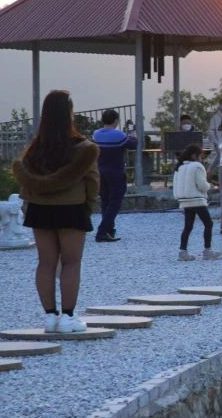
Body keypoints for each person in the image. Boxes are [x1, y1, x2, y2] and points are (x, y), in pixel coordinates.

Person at [10, 90, 100, 334]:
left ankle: (50, 316)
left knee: (46, 263)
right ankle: (68, 317)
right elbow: (92, 181)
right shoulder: (83, 148)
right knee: (71, 262)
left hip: (40, 209)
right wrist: (88, 205)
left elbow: (26, 183)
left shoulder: (34, 150)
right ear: (69, 113)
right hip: (72, 208)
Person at [172, 143, 222, 261]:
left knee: (187, 227)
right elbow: (202, 185)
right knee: (208, 224)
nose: (202, 158)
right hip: (197, 200)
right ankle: (207, 250)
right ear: (195, 155)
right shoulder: (197, 166)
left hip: (184, 200)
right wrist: (210, 185)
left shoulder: (179, 167)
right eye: (201, 156)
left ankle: (183, 251)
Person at [90, 110, 134, 242]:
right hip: (116, 172)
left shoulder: (96, 134)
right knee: (115, 202)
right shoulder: (118, 135)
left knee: (105, 201)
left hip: (100, 171)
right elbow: (133, 144)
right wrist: (132, 133)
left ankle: (109, 230)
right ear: (116, 120)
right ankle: (102, 231)